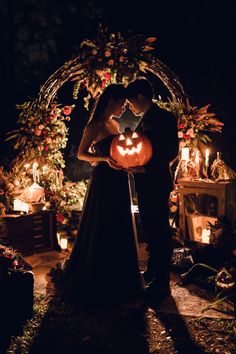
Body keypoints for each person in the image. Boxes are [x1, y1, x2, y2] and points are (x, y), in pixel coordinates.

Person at [61, 84, 142, 303]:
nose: (124, 108)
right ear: (111, 101)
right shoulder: (95, 125)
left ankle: (120, 275)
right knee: (103, 223)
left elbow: (121, 150)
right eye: (121, 103)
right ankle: (99, 274)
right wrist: (105, 159)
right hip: (104, 180)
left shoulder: (115, 124)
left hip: (119, 179)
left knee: (119, 222)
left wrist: (128, 164)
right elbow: (81, 154)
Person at [126, 78, 179, 302]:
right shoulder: (145, 119)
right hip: (146, 181)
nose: (129, 107)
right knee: (150, 228)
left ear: (140, 97)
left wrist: (144, 167)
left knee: (159, 231)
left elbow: (170, 151)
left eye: (130, 102)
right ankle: (153, 270)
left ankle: (162, 281)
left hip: (156, 180)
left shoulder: (163, 117)